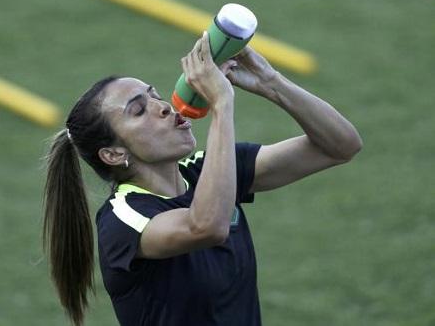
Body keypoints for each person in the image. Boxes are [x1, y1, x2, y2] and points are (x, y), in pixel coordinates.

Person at [43, 32, 362, 326]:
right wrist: (222, 105)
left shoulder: (207, 170)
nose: (163, 107)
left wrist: (271, 82)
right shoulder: (123, 220)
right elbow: (206, 225)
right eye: (139, 110)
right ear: (113, 154)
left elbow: (340, 146)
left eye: (154, 95)